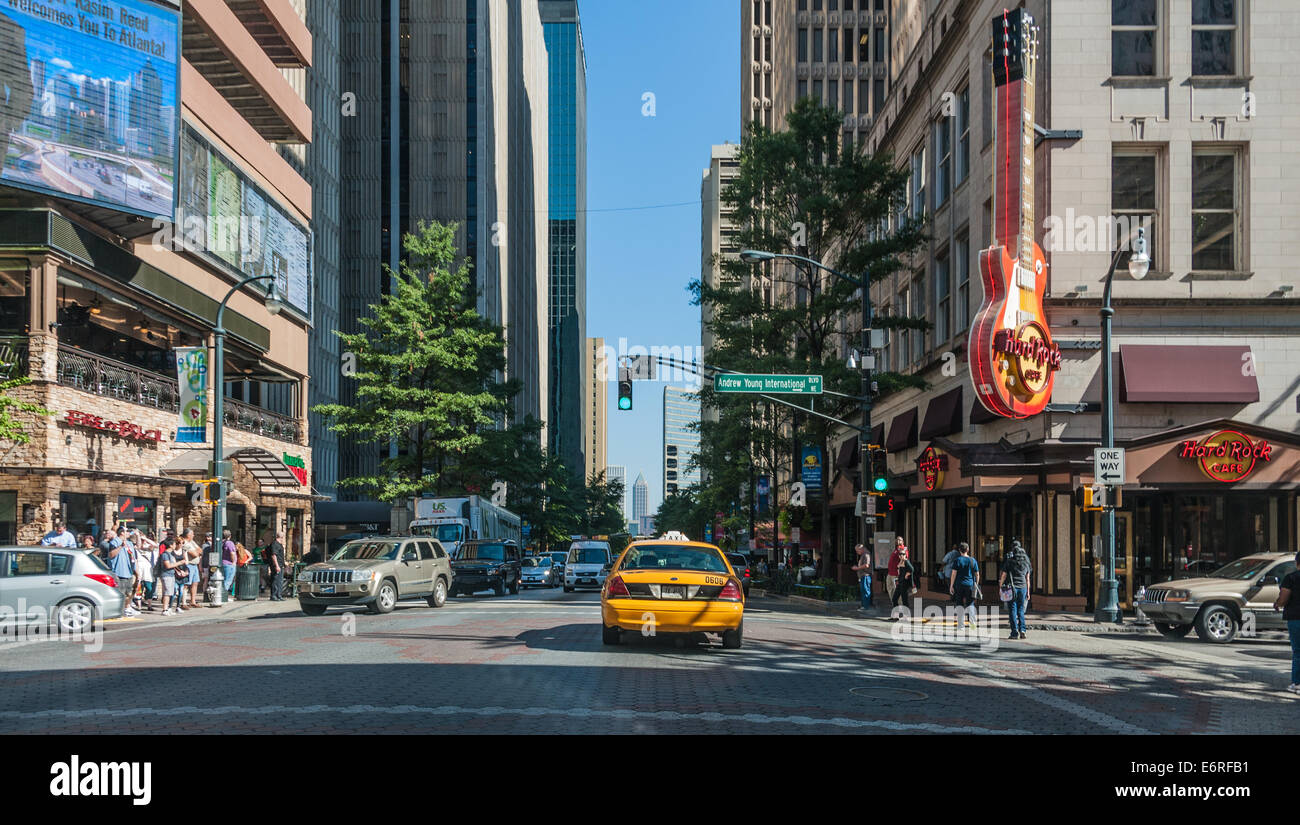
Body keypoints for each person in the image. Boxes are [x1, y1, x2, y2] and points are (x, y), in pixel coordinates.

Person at [1274, 552, 1300, 695]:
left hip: (1296, 618)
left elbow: (1283, 599)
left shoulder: (1291, 578)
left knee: (1298, 652)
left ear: (1297, 563)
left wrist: (1277, 603)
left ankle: (1297, 683)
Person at [999, 539, 1032, 640]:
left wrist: (1000, 586)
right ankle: (1023, 630)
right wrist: (1028, 592)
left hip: (1012, 588)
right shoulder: (1026, 563)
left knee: (1012, 609)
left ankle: (1014, 632)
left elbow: (1004, 575)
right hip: (1023, 588)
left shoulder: (1010, 562)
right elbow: (1027, 579)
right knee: (1021, 609)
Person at [105, 528, 139, 617]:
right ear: (122, 533)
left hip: (129, 571)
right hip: (119, 572)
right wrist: (121, 546)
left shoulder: (129, 543)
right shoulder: (114, 542)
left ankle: (127, 608)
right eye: (127, 531)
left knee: (129, 593)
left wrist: (136, 571)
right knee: (121, 593)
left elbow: (136, 552)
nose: (129, 533)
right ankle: (119, 610)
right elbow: (111, 555)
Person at [948, 542, 979, 626]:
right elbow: (977, 574)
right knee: (970, 604)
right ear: (968, 550)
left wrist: (951, 585)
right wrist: (976, 584)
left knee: (959, 604)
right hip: (970, 585)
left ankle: (961, 624)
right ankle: (972, 624)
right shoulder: (973, 560)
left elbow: (953, 574)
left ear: (959, 550)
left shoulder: (957, 560)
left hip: (959, 585)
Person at [160, 540, 188, 615]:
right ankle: (165, 609)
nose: (176, 545)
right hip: (166, 575)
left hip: (172, 575)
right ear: (170, 545)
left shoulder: (171, 554)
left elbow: (174, 565)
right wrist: (180, 562)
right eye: (174, 544)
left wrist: (180, 570)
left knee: (170, 593)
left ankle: (168, 609)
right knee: (167, 593)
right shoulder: (165, 554)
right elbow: (168, 565)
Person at [135, 530, 159, 612]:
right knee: (139, 587)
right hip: (139, 568)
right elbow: (137, 547)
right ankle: (139, 606)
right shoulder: (136, 547)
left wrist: (145, 538)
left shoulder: (149, 546)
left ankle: (149, 605)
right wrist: (138, 538)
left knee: (149, 588)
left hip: (148, 570)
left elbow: (155, 545)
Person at [892, 546, 916, 614]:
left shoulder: (906, 561)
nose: (901, 555)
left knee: (904, 600)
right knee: (894, 599)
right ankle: (896, 615)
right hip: (900, 583)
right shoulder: (901, 561)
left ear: (905, 555)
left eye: (903, 554)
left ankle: (906, 615)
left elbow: (912, 569)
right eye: (900, 554)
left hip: (904, 584)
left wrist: (907, 574)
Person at [851, 543, 873, 613]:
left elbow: (866, 565)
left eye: (857, 551)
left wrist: (857, 568)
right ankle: (863, 605)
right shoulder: (864, 554)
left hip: (865, 575)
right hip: (863, 576)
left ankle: (865, 606)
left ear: (861, 549)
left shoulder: (866, 555)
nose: (857, 552)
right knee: (863, 591)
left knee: (865, 591)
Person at [887, 535, 906, 604]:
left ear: (903, 541)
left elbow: (904, 560)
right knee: (890, 589)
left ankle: (901, 605)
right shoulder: (896, 549)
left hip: (896, 574)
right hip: (890, 573)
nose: (898, 541)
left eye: (899, 540)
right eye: (897, 540)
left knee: (897, 590)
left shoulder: (903, 549)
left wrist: (899, 568)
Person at [267, 532, 286, 601]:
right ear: (282, 537)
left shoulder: (279, 544)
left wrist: (284, 563)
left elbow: (280, 556)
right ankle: (274, 596)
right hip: (276, 565)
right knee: (275, 580)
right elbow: (273, 555)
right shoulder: (275, 544)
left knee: (279, 581)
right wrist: (277, 566)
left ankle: (279, 595)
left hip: (280, 565)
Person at [219, 529, 237, 599]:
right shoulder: (230, 543)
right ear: (230, 536)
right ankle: (223, 596)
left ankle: (220, 595)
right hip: (229, 564)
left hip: (222, 563)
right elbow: (232, 553)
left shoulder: (221, 542)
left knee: (223, 580)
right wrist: (233, 562)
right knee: (228, 580)